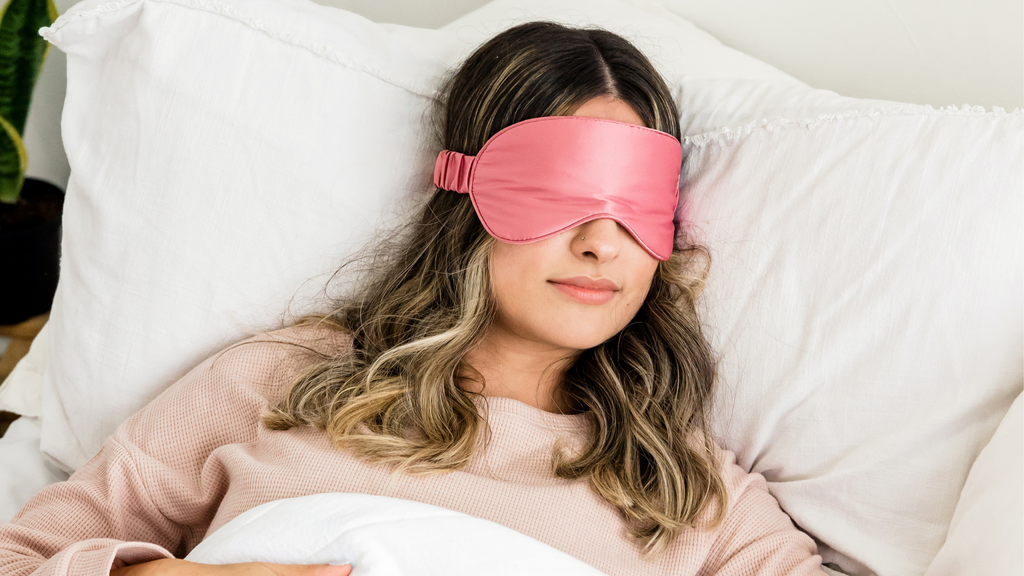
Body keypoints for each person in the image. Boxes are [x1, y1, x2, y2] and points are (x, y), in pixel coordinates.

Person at [0, 21, 823, 576]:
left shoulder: (687, 488)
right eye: (562, 195)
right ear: (464, 194)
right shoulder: (282, 379)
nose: (602, 243)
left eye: (636, 208)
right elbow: (22, 554)